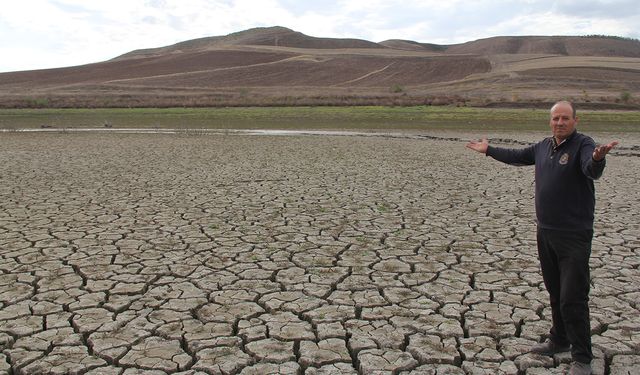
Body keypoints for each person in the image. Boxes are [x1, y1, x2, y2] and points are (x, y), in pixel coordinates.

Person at [465, 101, 618, 375]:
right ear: (551, 122)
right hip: (546, 231)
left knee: (573, 296)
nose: (560, 123)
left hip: (573, 236)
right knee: (555, 290)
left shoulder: (583, 145)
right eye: (556, 118)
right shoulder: (543, 146)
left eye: (565, 118)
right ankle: (559, 339)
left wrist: (598, 158)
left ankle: (582, 357)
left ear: (575, 120)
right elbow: (517, 155)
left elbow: (590, 169)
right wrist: (488, 150)